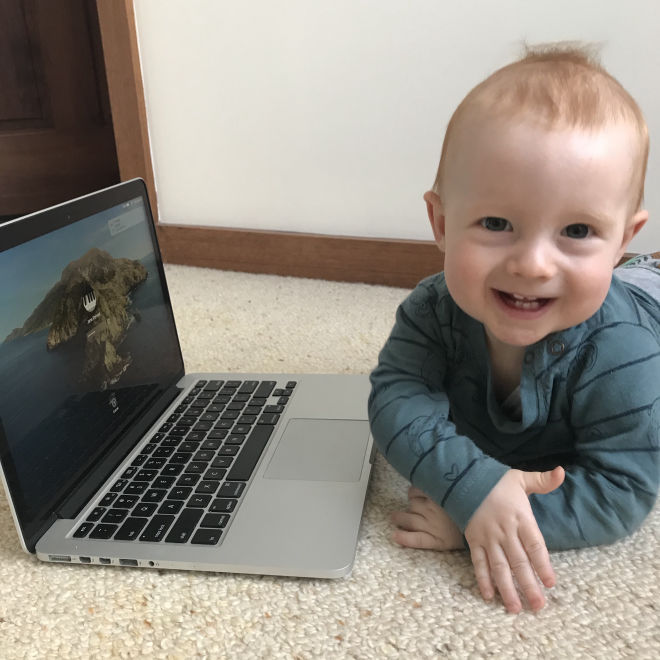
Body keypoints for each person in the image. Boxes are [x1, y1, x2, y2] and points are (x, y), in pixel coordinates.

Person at [368, 45, 660, 614]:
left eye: (578, 230)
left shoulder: (625, 352)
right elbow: (397, 395)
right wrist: (473, 485)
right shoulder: (433, 308)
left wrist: (476, 520)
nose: (533, 264)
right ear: (441, 223)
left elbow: (622, 490)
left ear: (622, 241)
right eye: (497, 223)